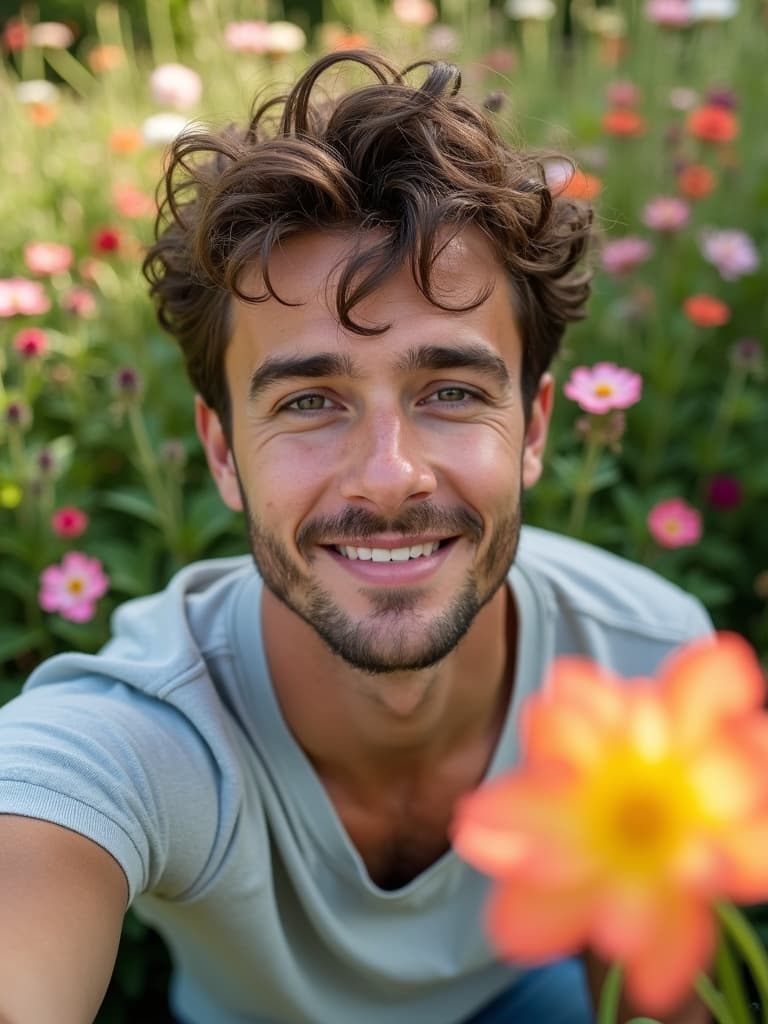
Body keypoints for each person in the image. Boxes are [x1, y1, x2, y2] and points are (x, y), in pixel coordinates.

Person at [0, 51, 712, 1024]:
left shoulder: (645, 661)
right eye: (308, 400)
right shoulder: (139, 739)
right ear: (222, 450)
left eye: (452, 392)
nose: (389, 475)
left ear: (537, 427)